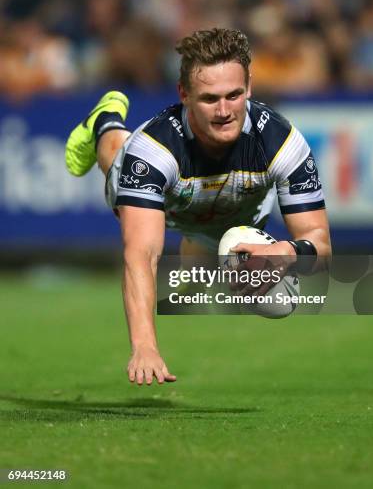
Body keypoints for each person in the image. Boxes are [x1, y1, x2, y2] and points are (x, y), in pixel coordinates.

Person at [65, 28, 331, 386]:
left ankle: (199, 261)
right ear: (184, 94)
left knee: (192, 279)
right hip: (170, 205)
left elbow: (322, 246)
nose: (224, 111)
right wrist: (145, 346)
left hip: (232, 216)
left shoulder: (282, 143)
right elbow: (141, 254)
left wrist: (288, 251)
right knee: (116, 156)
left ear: (250, 86)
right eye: (209, 99)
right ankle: (106, 120)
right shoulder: (155, 149)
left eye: (234, 95)